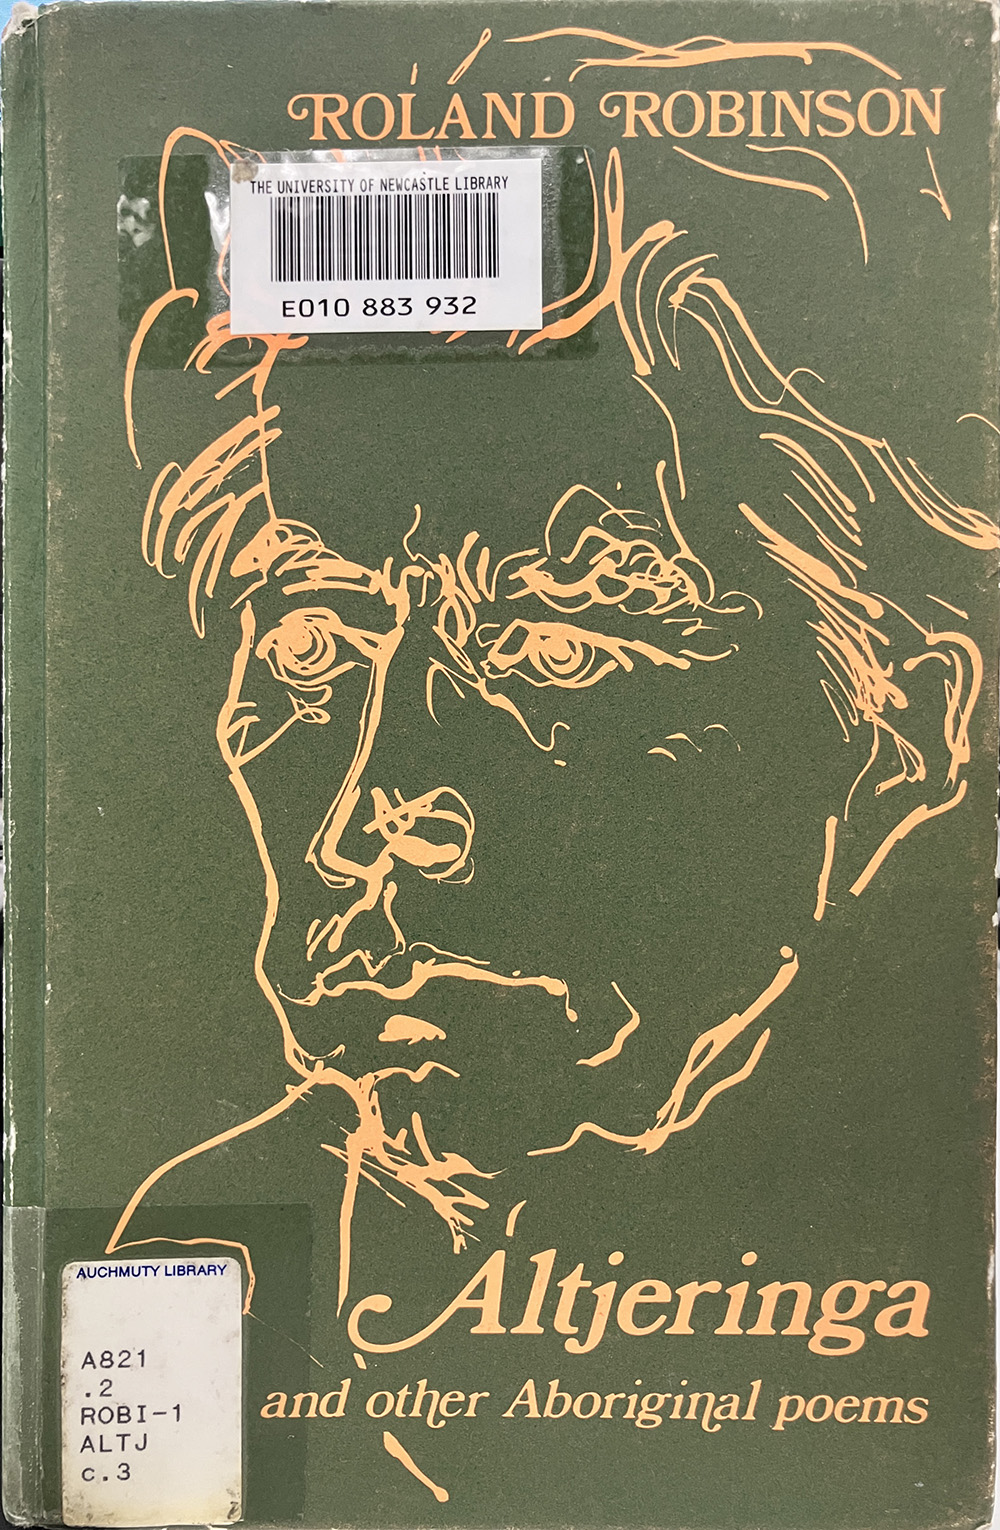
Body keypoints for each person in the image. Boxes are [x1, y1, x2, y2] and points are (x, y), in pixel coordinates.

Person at [109, 128, 996, 1322]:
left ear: (896, 743)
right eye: (312, 646)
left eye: (557, 651)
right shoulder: (174, 1254)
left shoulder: (908, 1228)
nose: (369, 825)